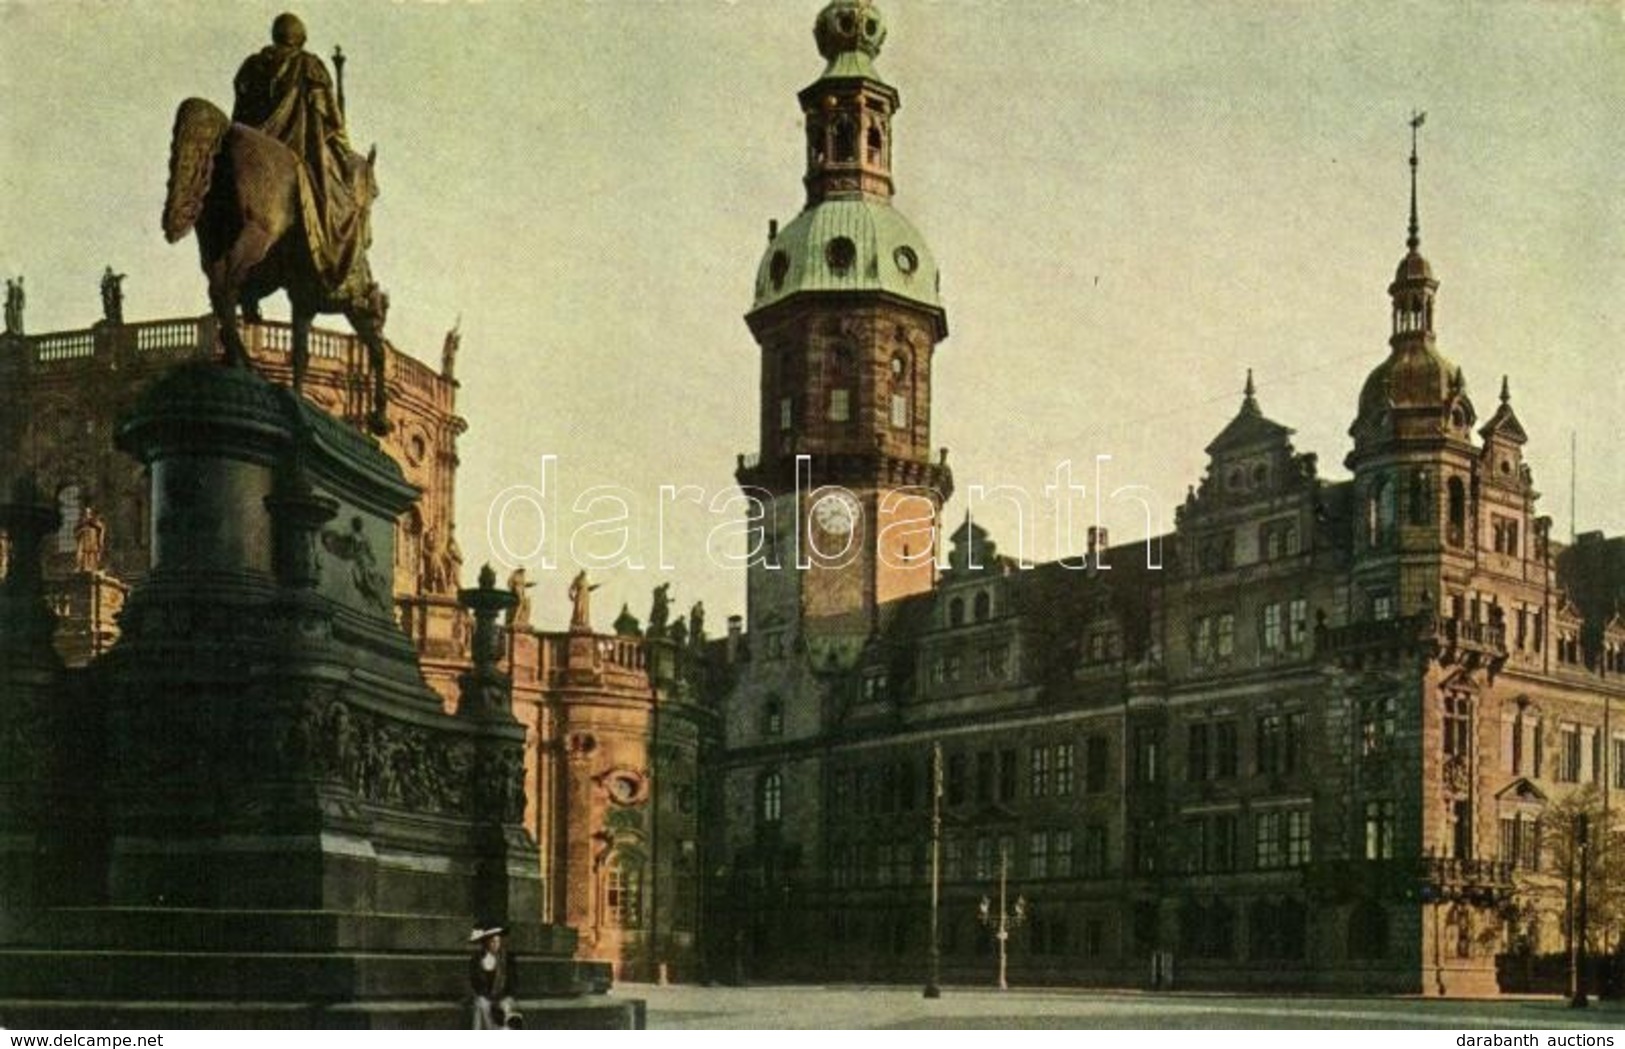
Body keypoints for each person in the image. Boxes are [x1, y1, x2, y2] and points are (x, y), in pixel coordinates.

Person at [231, 13, 364, 293]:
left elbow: (240, 115)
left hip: (249, 150)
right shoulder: (310, 65)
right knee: (338, 202)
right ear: (300, 38)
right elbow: (334, 119)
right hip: (299, 150)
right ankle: (329, 262)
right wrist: (343, 144)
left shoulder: (252, 67)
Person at [468, 925, 520, 1030]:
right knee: (482, 1005)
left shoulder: (506, 959)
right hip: (485, 996)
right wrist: (485, 997)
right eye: (492, 942)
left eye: (498, 941)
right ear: (486, 943)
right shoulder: (477, 960)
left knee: (504, 1007)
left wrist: (507, 996)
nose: (496, 945)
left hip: (503, 996)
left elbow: (513, 981)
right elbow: (474, 982)